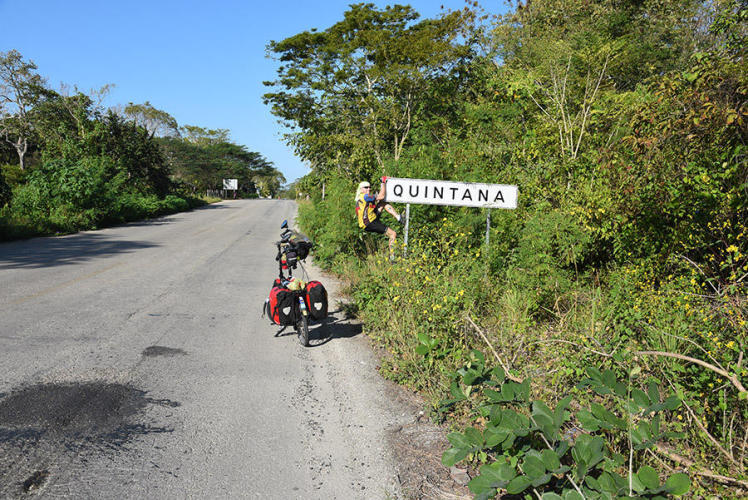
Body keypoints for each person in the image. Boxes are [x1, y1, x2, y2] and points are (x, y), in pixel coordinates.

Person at [355, 177, 403, 259]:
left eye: (369, 187)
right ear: (361, 189)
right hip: (370, 222)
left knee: (382, 203)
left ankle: (399, 217)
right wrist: (383, 182)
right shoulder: (365, 196)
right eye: (366, 187)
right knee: (393, 234)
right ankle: (392, 258)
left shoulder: (361, 197)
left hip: (369, 220)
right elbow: (381, 195)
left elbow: (379, 199)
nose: (369, 189)